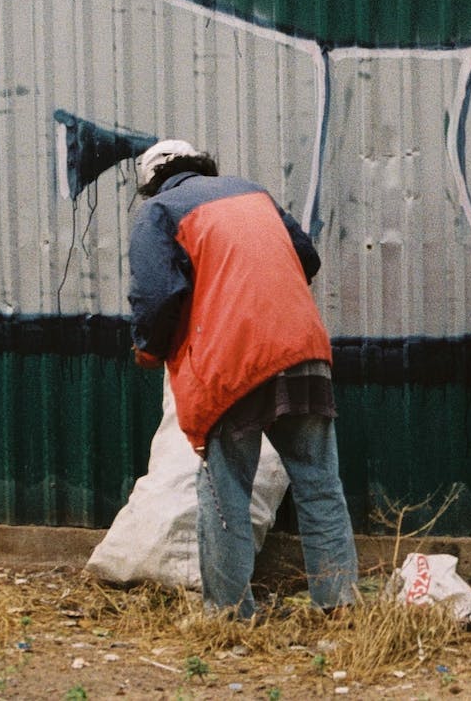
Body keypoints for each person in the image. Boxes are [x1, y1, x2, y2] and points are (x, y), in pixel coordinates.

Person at [126, 139, 358, 619]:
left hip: (233, 363)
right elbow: (306, 259)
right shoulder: (254, 194)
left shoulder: (160, 212)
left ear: (151, 184)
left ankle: (228, 615)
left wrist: (147, 346)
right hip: (303, 351)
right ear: (204, 166)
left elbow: (156, 295)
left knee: (226, 490)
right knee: (320, 485)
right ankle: (339, 609)